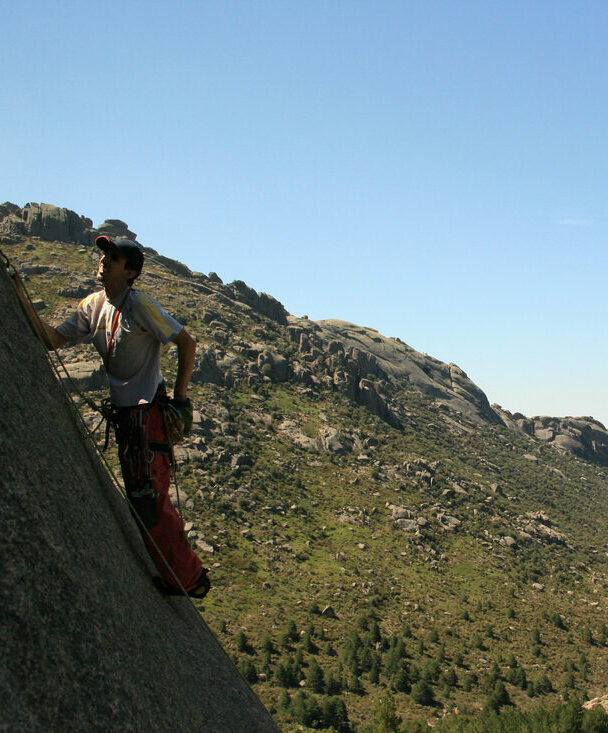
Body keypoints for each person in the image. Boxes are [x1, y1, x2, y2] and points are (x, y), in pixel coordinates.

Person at [15, 235, 209, 598]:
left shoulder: (140, 305)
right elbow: (53, 340)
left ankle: (190, 580)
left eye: (114, 257)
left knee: (148, 497)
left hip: (147, 413)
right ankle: (180, 576)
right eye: (104, 254)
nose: (104, 260)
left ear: (131, 271)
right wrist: (19, 297)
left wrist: (181, 399)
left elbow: (187, 343)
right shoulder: (93, 305)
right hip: (127, 416)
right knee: (143, 497)